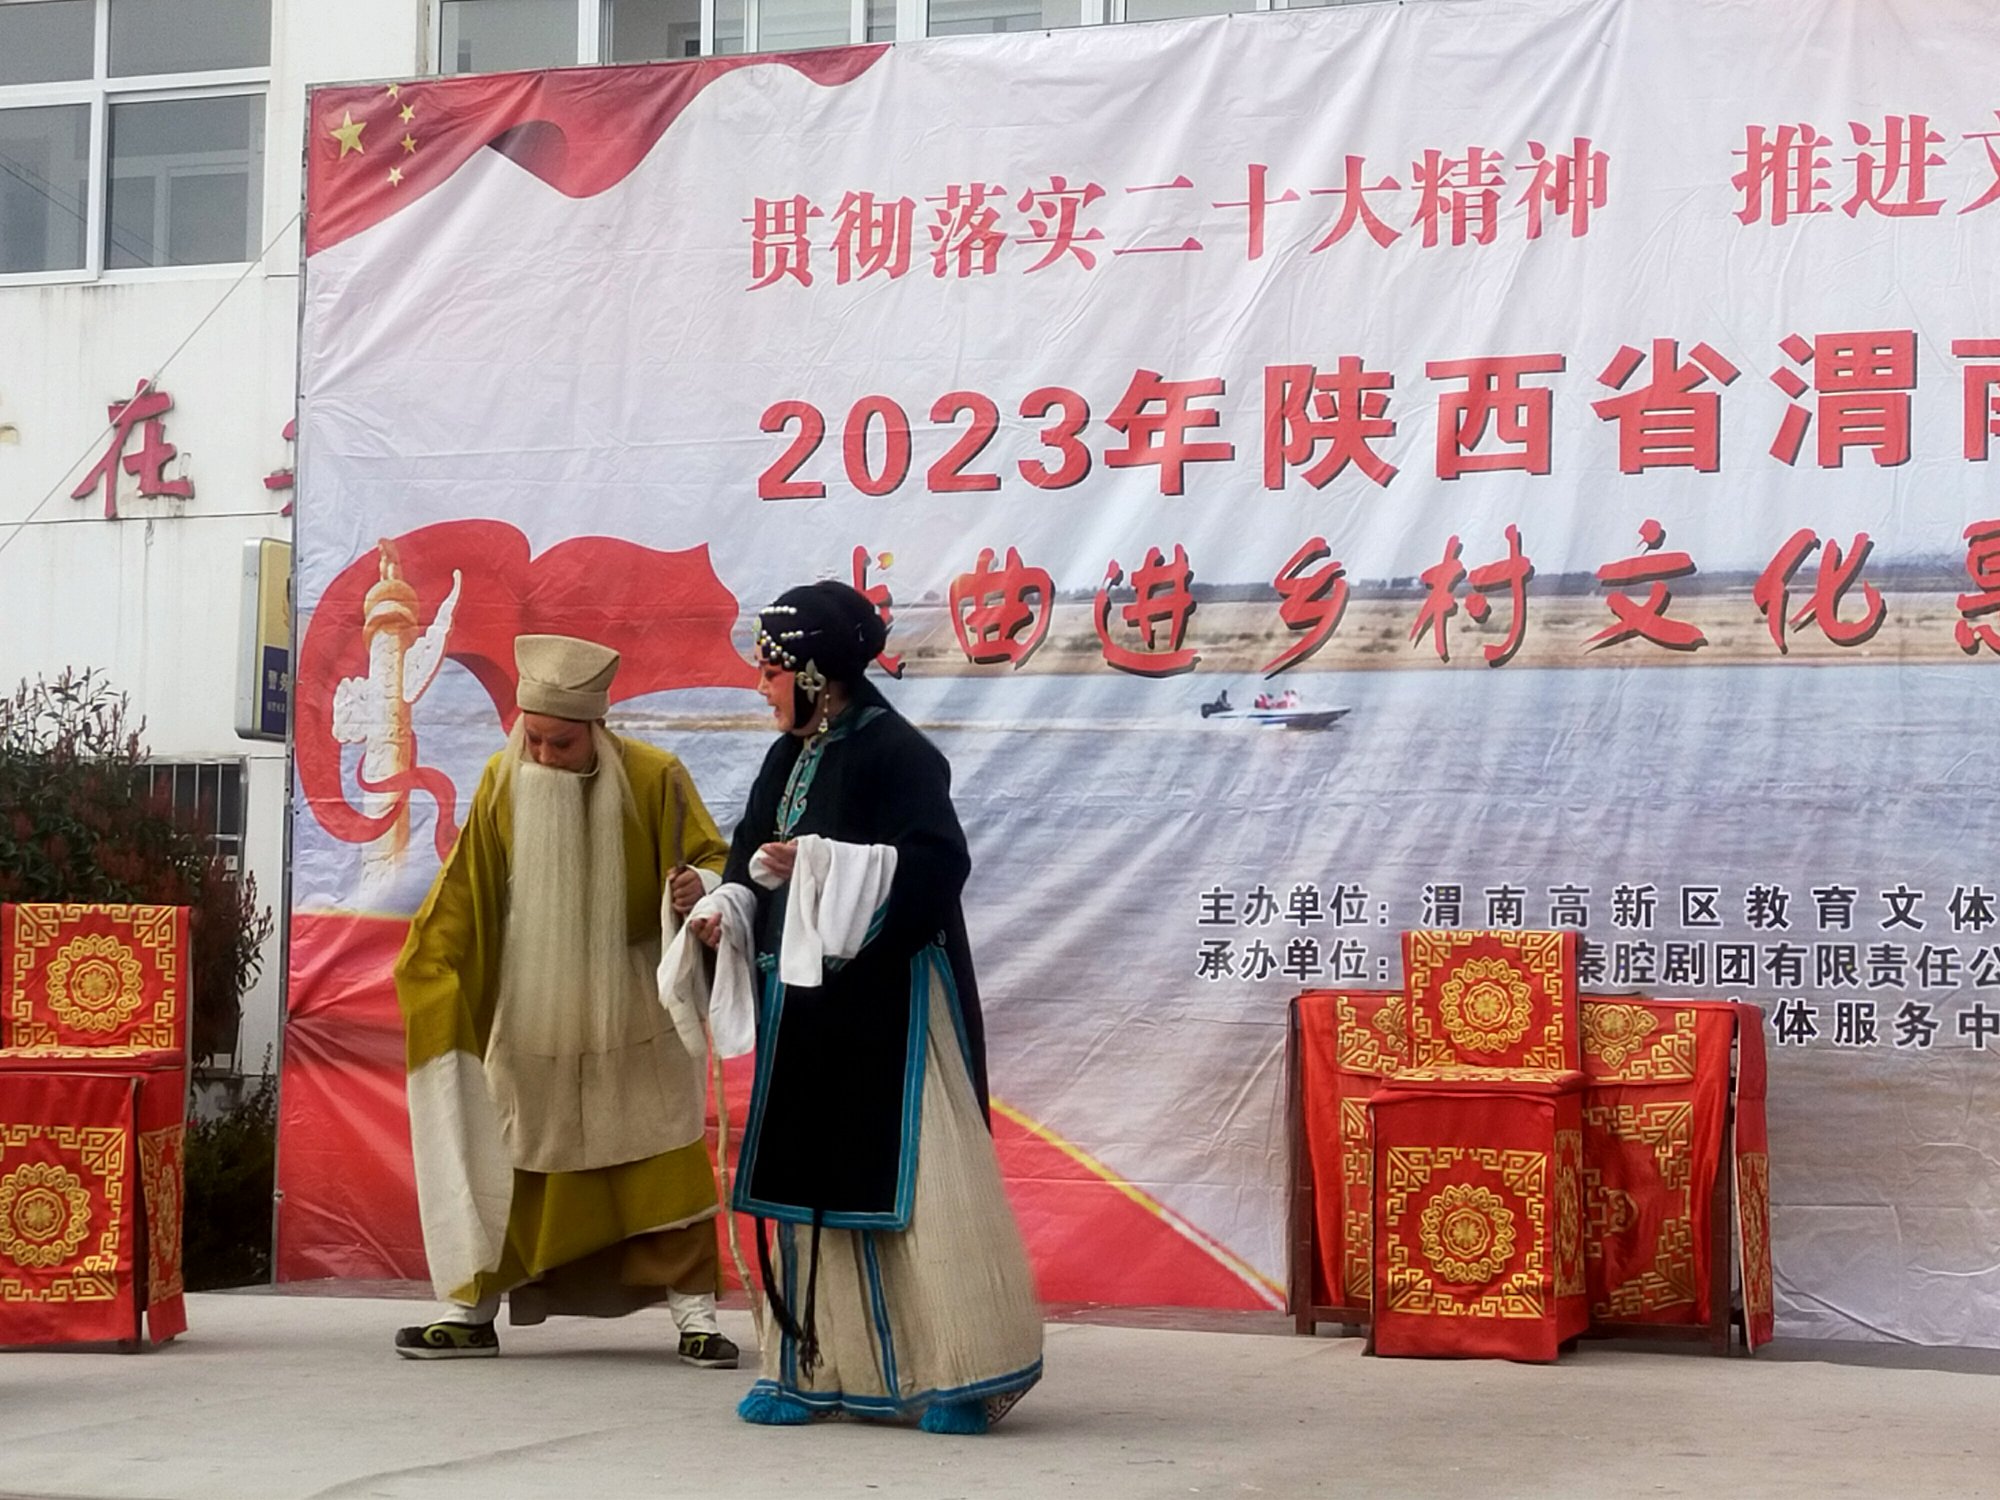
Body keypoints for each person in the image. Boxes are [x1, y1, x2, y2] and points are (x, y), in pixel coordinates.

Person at [684, 581, 1043, 1432]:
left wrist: (825, 868)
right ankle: (808, 1368)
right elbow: (751, 863)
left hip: (895, 999)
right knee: (806, 1177)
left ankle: (959, 1374)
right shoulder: (784, 759)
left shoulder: (898, 753)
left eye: (770, 671)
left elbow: (937, 866)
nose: (760, 686)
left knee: (922, 1182)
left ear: (814, 674)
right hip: (805, 1001)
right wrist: (720, 904)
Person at [390, 633, 739, 1368]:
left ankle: (697, 1319)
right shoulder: (501, 779)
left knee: (662, 1157)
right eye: (535, 739)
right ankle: (470, 1311)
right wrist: (432, 971)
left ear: (597, 731)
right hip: (533, 1008)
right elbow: (462, 894)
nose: (545, 756)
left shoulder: (656, 776)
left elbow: (714, 861)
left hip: (634, 1007)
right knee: (512, 1154)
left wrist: (700, 889)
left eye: (562, 743)